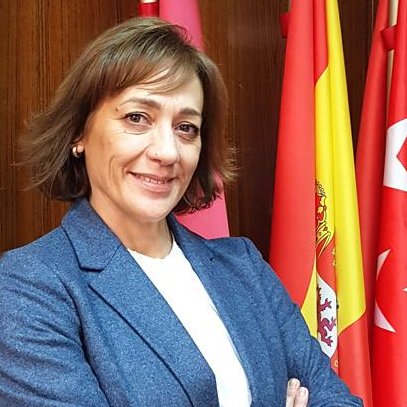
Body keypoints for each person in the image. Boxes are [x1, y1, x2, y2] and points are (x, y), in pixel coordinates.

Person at [0, 17, 361, 407]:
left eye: (186, 127)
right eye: (137, 118)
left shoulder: (243, 266)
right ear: (79, 133)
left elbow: (337, 399)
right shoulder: (28, 286)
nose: (168, 152)